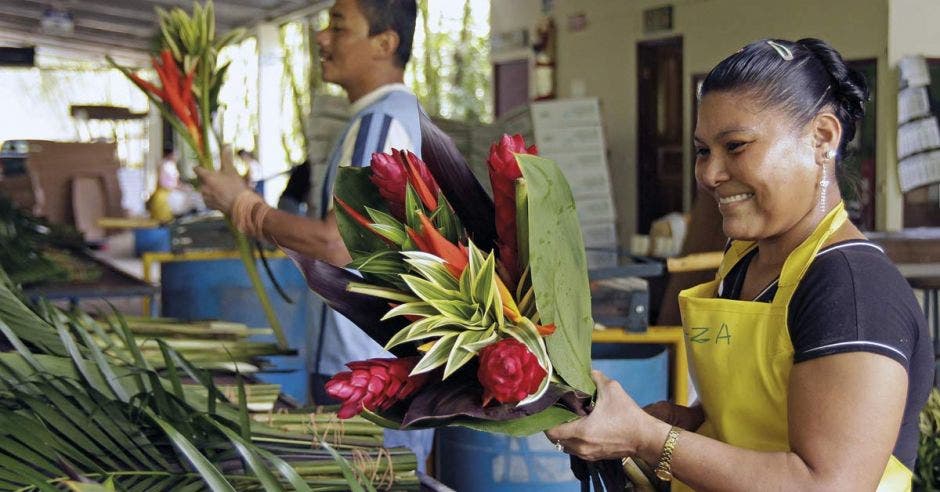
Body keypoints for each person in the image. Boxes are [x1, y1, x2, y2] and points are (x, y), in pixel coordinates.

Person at [547, 38, 932, 490]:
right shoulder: (744, 263)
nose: (710, 174)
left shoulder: (850, 290)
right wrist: (686, 422)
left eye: (736, 146)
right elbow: (760, 419)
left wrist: (652, 439)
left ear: (822, 138)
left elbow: (827, 484)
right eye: (703, 150)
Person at [195, 0, 434, 470]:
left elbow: (336, 243)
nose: (322, 38)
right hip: (373, 362)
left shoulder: (381, 123)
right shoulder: (387, 117)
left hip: (365, 367)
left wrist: (243, 206)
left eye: (339, 28)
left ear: (385, 44)